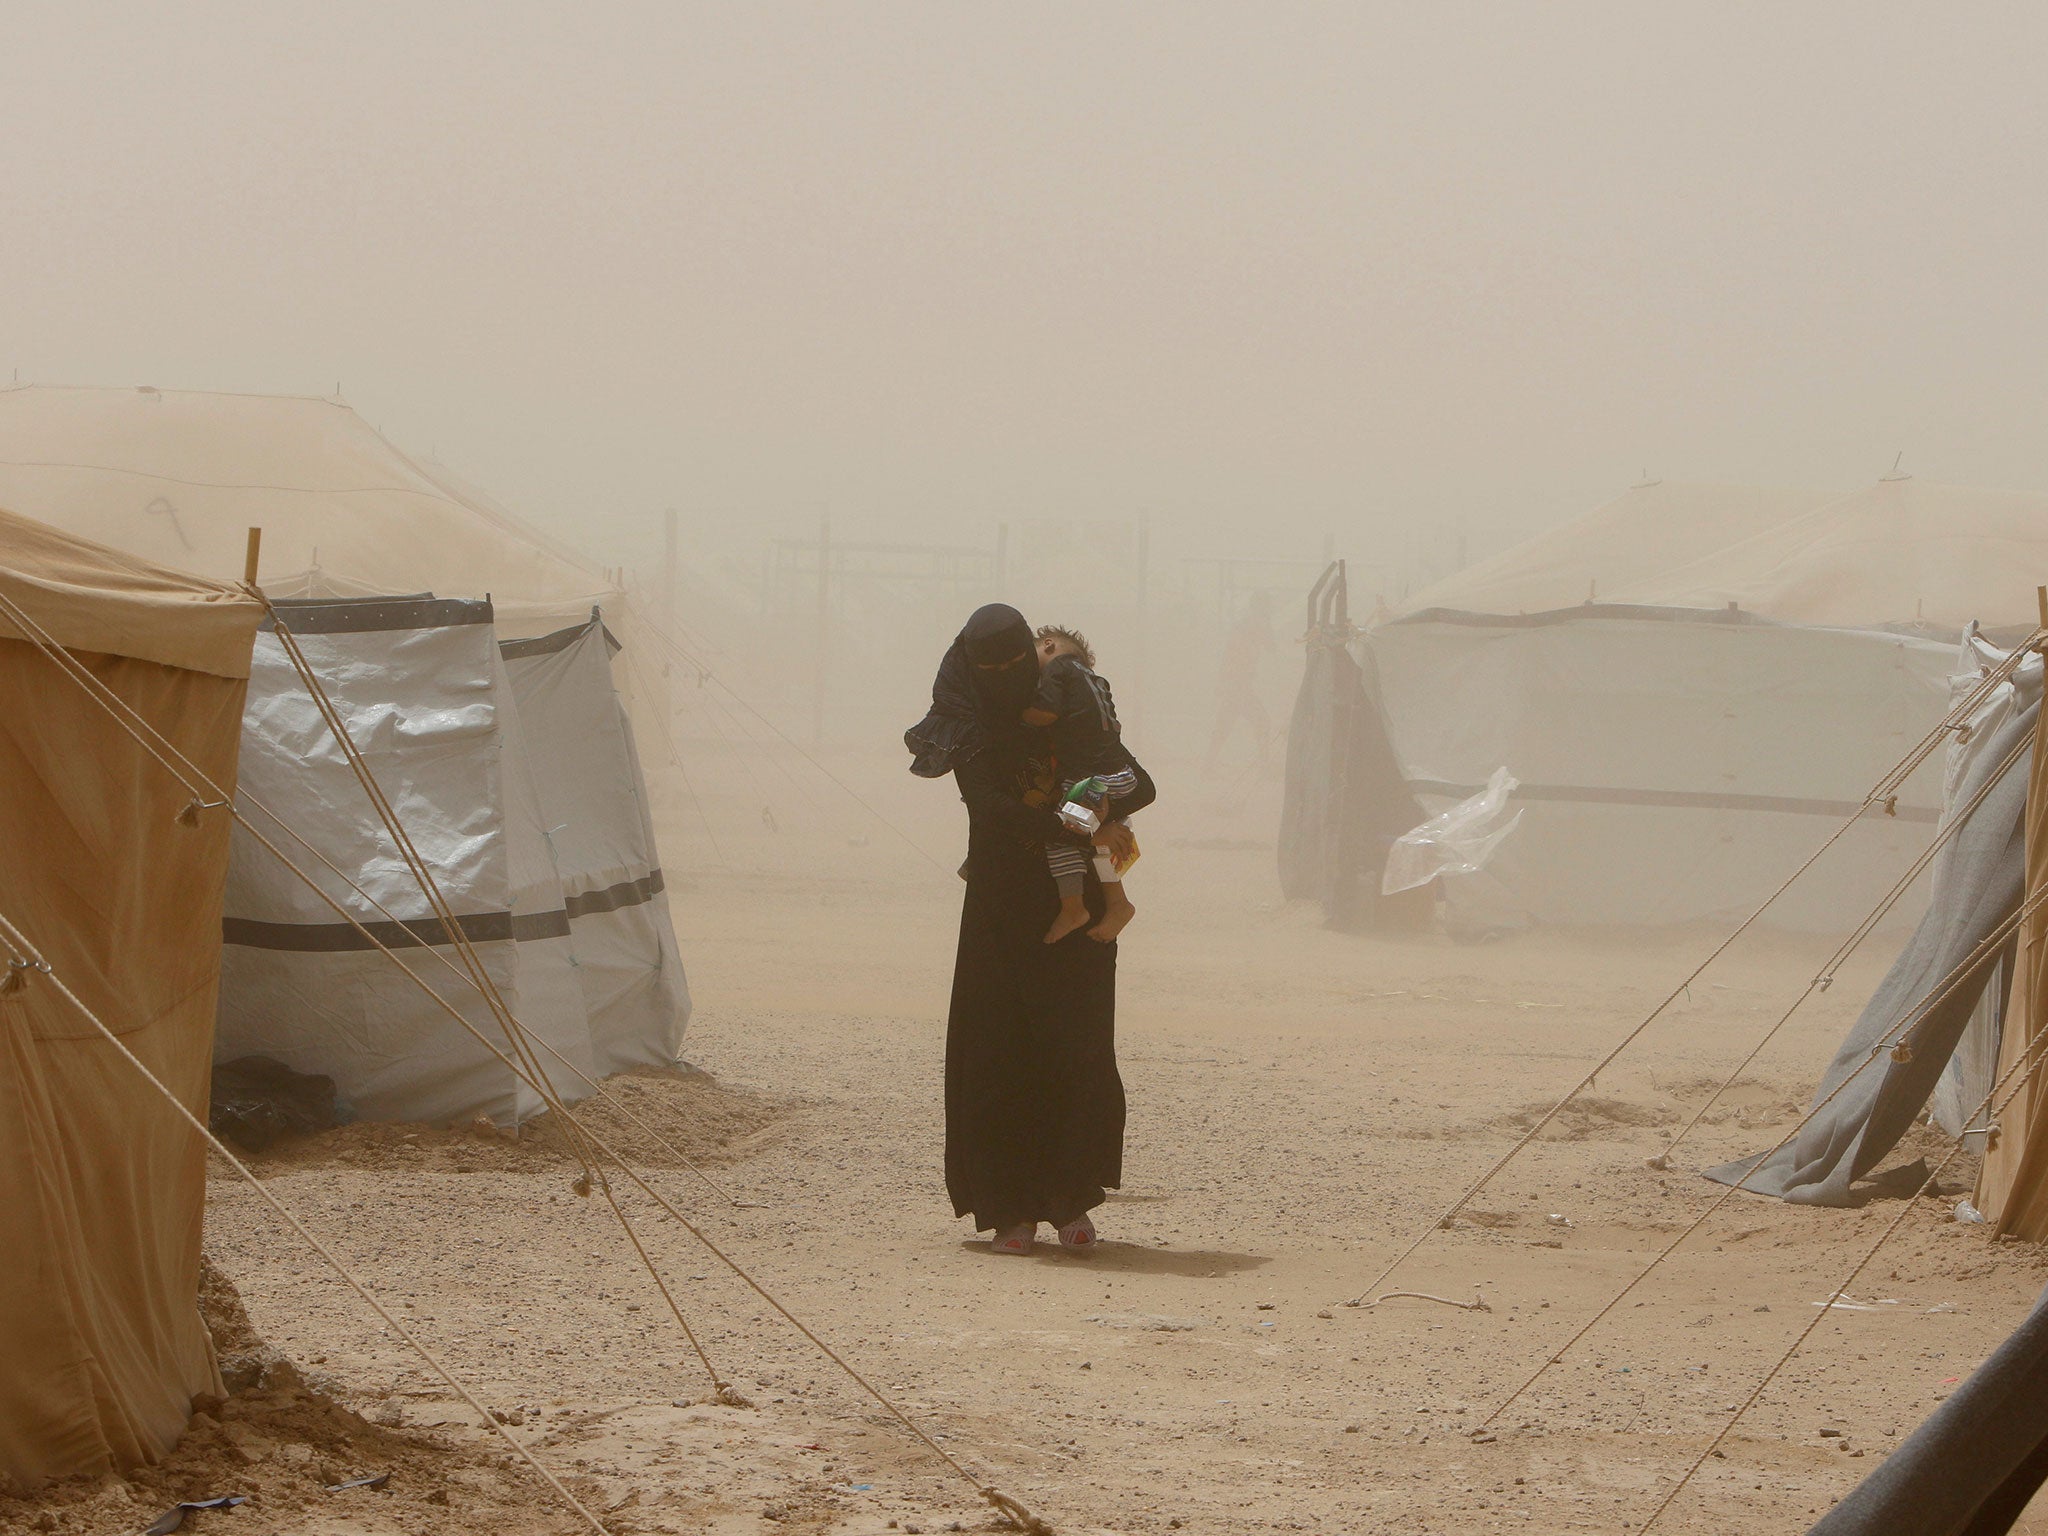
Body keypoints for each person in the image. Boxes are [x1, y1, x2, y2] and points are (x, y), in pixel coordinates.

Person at [905, 604, 1155, 1257]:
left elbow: (1141, 785)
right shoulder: (969, 722)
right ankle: (1008, 1208)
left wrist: (1095, 807)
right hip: (998, 906)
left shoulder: (1068, 707)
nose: (1008, 676)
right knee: (997, 1056)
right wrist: (1077, 824)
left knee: (1074, 1052)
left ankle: (1070, 1200)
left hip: (1074, 915)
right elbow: (987, 809)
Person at [1022, 625, 1139, 945]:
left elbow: (1045, 713)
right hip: (1119, 775)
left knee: (1062, 834)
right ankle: (1118, 904)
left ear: (1047, 645)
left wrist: (1017, 713)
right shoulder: (1094, 680)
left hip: (1091, 779)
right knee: (1104, 842)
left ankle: (1073, 907)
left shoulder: (1058, 668)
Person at [1204, 589, 1276, 772]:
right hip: (1238, 684)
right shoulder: (1256, 623)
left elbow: (1232, 654)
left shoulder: (1245, 623)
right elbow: (1271, 646)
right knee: (1261, 721)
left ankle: (1208, 765)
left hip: (1234, 683)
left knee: (1224, 725)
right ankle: (1264, 765)